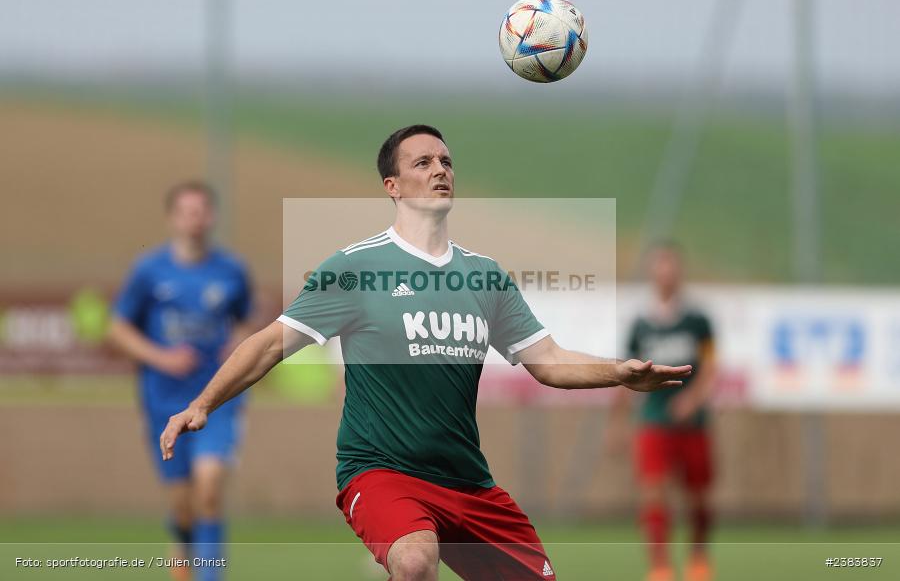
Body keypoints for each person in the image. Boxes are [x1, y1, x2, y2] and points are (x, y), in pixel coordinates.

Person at [160, 125, 691, 581]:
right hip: (381, 472)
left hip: (467, 482)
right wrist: (203, 402)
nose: (440, 169)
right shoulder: (355, 268)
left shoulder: (484, 276)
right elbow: (270, 344)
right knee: (414, 561)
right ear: (393, 186)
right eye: (423, 162)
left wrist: (618, 373)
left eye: (446, 161)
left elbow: (547, 360)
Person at [109, 181, 254, 581]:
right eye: (186, 211)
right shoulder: (149, 271)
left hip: (215, 399)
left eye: (202, 210)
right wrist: (162, 357)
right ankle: (182, 560)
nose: (195, 218)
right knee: (183, 505)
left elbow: (247, 324)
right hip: (162, 398)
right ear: (173, 217)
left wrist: (236, 345)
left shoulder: (231, 271)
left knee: (209, 488)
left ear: (213, 216)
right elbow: (118, 329)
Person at [609, 242, 717, 581]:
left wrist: (693, 400)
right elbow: (627, 374)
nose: (666, 273)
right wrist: (617, 423)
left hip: (692, 422)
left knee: (697, 495)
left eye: (671, 265)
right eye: (660, 266)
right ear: (653, 273)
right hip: (653, 420)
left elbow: (712, 367)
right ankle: (660, 567)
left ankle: (698, 559)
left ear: (679, 272)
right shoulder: (642, 324)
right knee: (654, 491)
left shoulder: (698, 320)